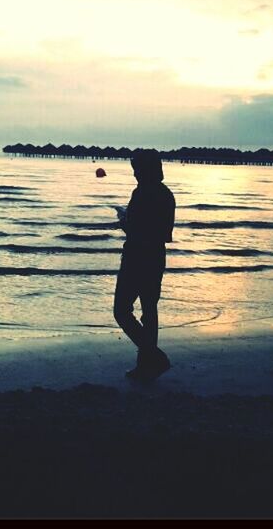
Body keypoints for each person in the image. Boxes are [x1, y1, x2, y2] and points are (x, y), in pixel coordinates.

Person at [114, 149, 175, 382]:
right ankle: (146, 364)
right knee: (149, 311)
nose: (135, 175)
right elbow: (164, 233)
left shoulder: (141, 194)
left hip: (137, 257)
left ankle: (153, 356)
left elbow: (135, 230)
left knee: (121, 310)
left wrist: (124, 221)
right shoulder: (166, 195)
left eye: (137, 170)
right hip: (156, 256)